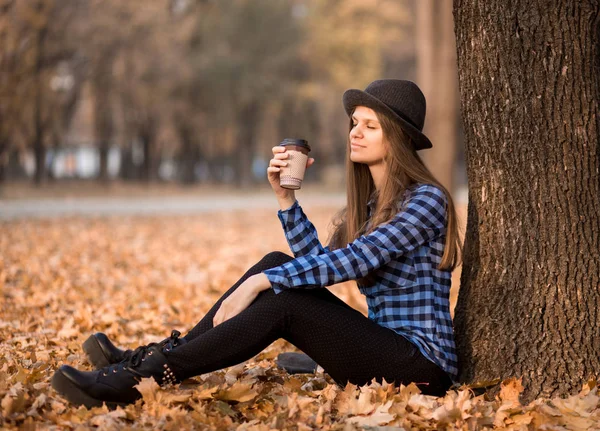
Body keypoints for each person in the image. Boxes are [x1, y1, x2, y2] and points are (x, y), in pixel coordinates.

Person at [51, 79, 462, 409]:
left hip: (422, 368)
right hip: (381, 351)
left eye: (370, 126)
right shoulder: (372, 205)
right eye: (355, 122)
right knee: (276, 263)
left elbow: (355, 261)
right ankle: (156, 357)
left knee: (279, 290)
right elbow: (317, 264)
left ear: (399, 139)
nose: (355, 132)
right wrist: (286, 200)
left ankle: (147, 375)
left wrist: (259, 282)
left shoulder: (426, 200)